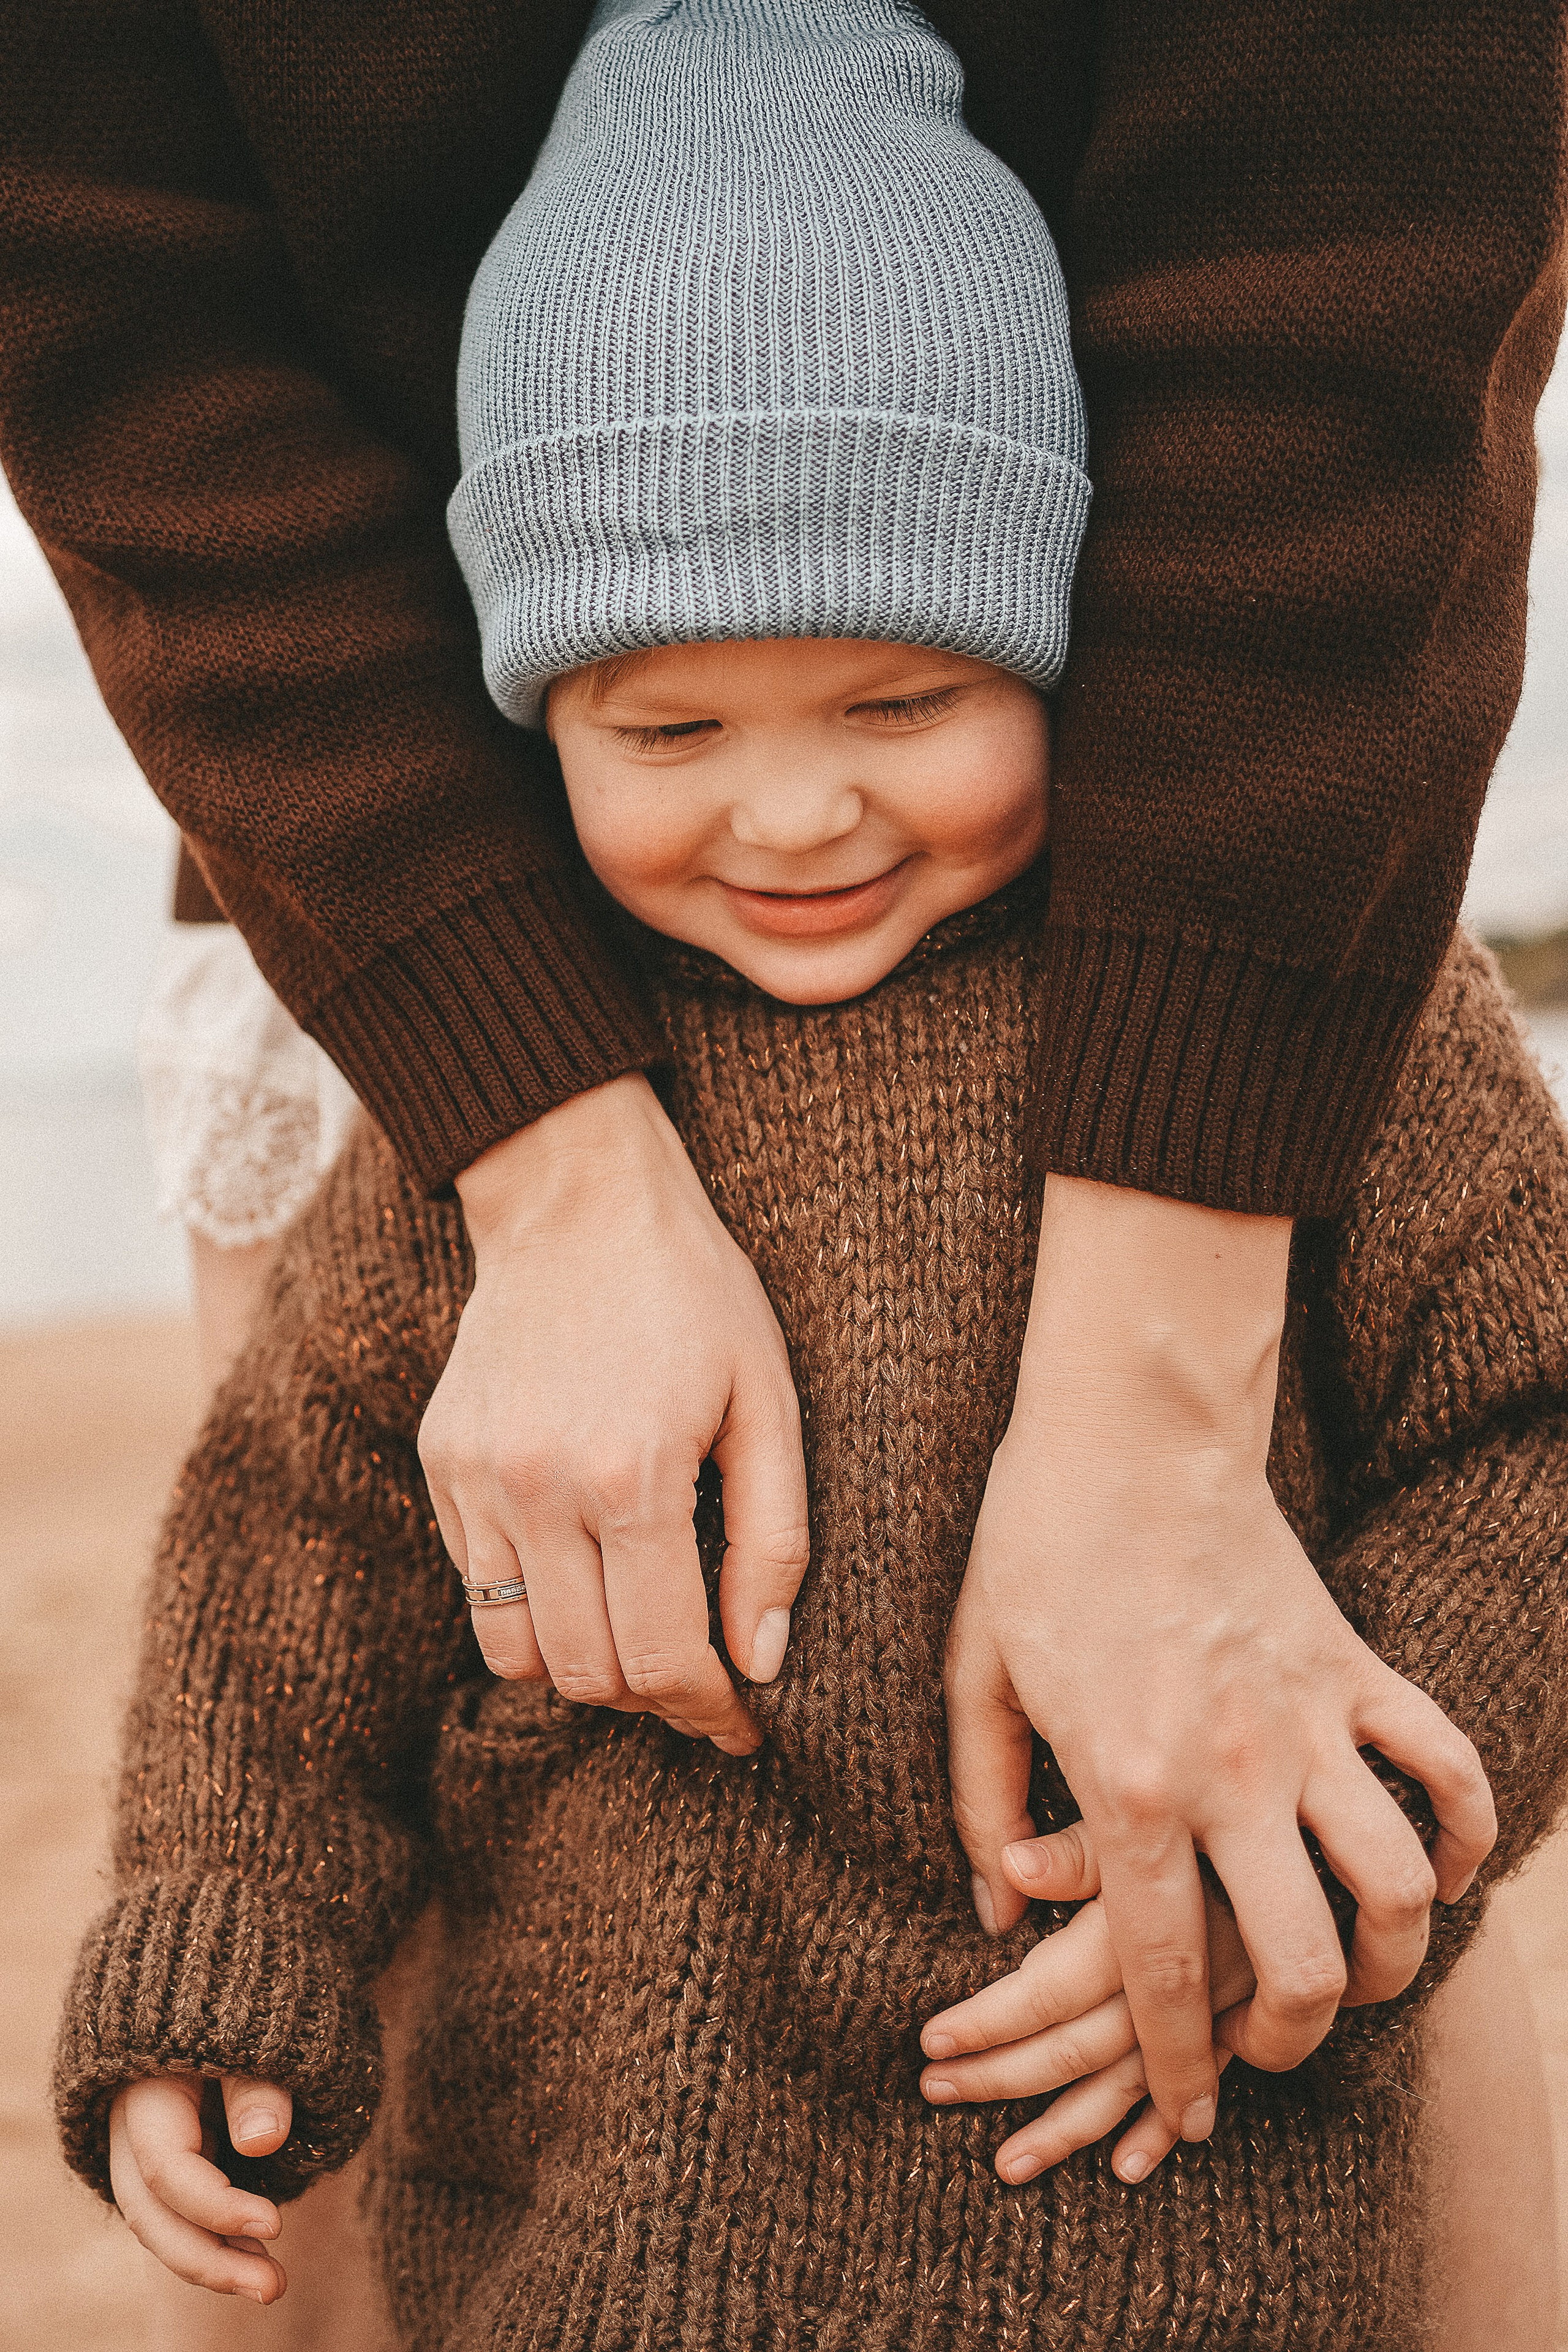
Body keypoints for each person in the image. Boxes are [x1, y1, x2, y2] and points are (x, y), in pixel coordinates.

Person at [55, 10, 1566, 2342]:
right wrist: (215, 1969)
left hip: (1177, 2218)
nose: (792, 815)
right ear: (532, 708)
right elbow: (294, 1569)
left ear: (1059, 648)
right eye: (666, 729)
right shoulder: (455, 1119)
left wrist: (1356, 1827)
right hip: (614, 2243)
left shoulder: (1324, 1038)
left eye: (905, 702)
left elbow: (1535, 1421)